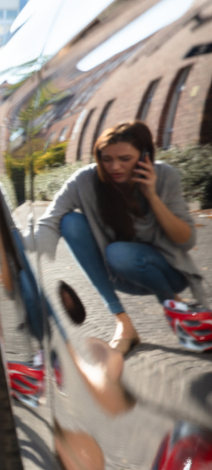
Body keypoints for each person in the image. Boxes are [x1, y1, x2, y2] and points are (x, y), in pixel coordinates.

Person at [36, 121, 206, 354]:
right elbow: (49, 220)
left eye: (125, 159)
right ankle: (124, 325)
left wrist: (152, 196)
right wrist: (31, 261)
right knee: (70, 222)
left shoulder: (166, 176)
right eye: (106, 159)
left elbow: (185, 241)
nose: (114, 167)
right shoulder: (85, 180)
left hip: (170, 271)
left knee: (119, 253)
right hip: (118, 273)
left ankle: (174, 305)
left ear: (145, 156)